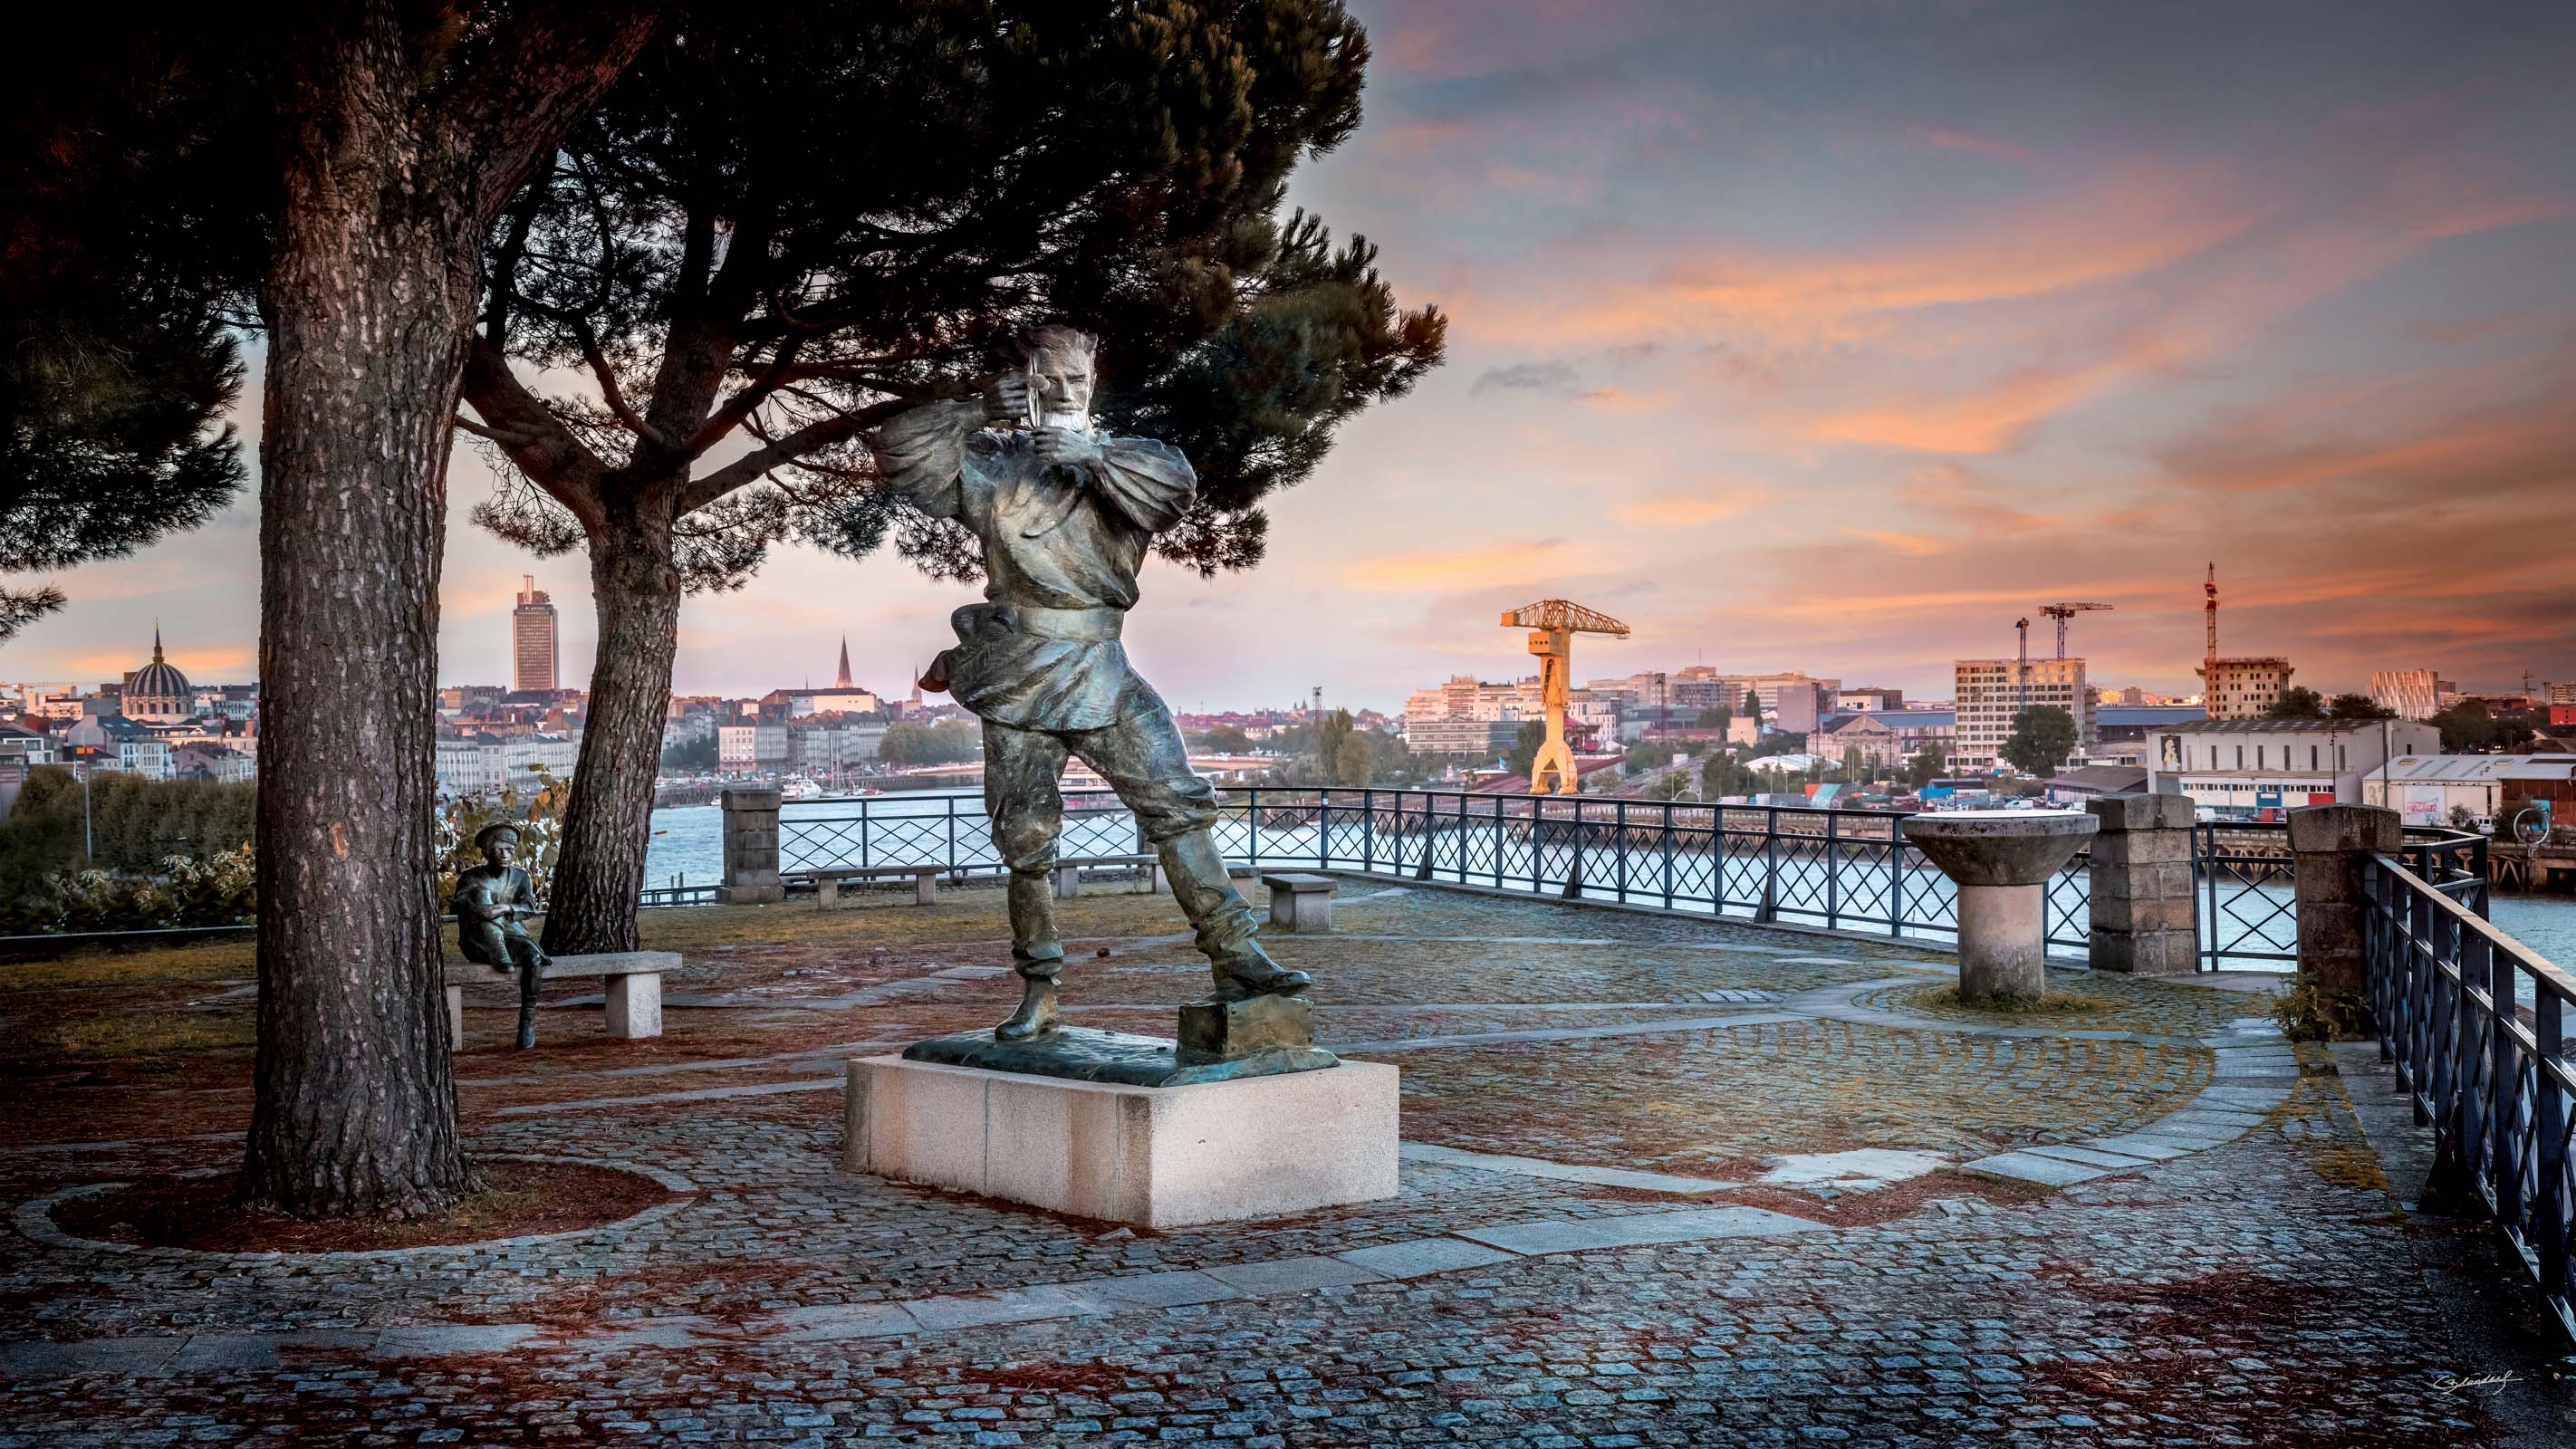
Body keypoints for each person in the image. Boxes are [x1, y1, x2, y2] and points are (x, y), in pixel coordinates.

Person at [871, 324, 1308, 1041]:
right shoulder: (988, 462)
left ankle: (1237, 958)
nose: (1063, 394)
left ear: (1093, 383)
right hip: (1015, 670)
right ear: (1023, 384)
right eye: (1047, 382)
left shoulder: (1134, 460)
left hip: (1101, 665)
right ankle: (1039, 989)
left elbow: (1171, 493)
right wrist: (979, 410)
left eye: (1076, 381)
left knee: (1177, 802)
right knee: (1027, 836)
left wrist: (1092, 457)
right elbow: (898, 451)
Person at [452, 822, 550, 1050]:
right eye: (498, 849)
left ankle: (528, 1018)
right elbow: (458, 905)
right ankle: (498, 951)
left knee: (533, 958)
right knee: (482, 897)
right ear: (487, 851)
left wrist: (504, 908)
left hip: (513, 936)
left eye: (509, 849)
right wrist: (480, 907)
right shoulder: (471, 877)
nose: (505, 855)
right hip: (478, 940)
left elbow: (528, 908)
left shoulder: (520, 876)